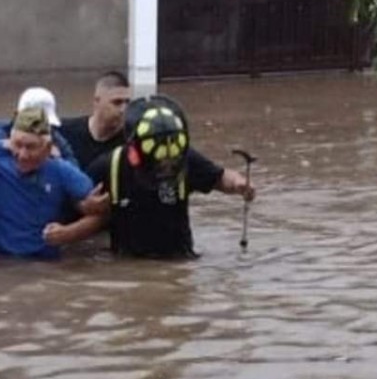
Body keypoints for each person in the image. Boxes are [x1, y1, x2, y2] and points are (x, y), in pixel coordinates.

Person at [85, 94, 255, 259]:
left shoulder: (186, 158)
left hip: (178, 260)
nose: (166, 166)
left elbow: (220, 178)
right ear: (135, 149)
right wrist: (86, 205)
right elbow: (74, 202)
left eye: (171, 161)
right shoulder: (110, 165)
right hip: (127, 264)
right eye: (157, 162)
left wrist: (238, 184)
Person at [0, 107, 108, 259]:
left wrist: (69, 233)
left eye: (31, 147)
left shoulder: (61, 170)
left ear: (48, 148)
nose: (23, 155)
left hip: (40, 262)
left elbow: (100, 214)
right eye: (18, 145)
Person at [0, 86, 77, 164]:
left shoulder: (54, 137)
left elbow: (75, 169)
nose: (37, 131)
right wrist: (0, 145)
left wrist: (59, 161)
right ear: (17, 116)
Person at [60, 71, 131, 170]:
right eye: (117, 102)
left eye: (127, 102)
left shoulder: (129, 141)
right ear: (97, 101)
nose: (123, 109)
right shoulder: (65, 132)